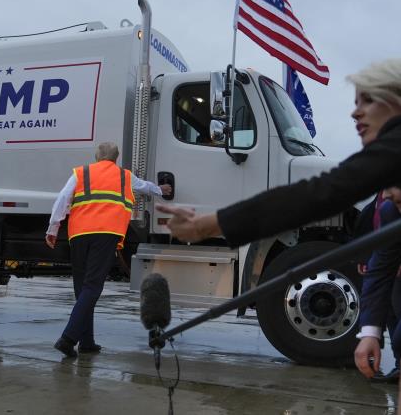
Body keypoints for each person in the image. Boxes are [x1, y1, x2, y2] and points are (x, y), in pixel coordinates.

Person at [156, 58, 401, 377]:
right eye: (355, 102)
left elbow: (319, 194)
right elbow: (381, 263)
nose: (355, 112)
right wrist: (370, 332)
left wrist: (205, 224)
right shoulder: (386, 205)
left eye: (367, 100)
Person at [46, 142, 172, 357]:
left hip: (78, 235)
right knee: (93, 287)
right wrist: (162, 189)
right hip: (105, 234)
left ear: (97, 157)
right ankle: (68, 339)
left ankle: (87, 342)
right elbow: (145, 187)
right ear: (115, 158)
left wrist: (53, 227)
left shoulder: (81, 173)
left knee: (83, 289)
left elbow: (63, 199)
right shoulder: (124, 176)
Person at [355, 196, 401, 383]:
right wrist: (369, 334)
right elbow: (380, 271)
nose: (391, 203)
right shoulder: (391, 210)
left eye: (399, 200)